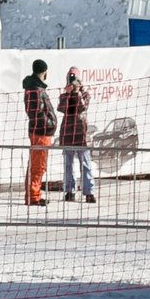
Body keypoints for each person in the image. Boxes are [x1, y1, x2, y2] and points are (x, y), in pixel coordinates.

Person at [21, 58, 57, 208]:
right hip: (41, 132)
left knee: (37, 164)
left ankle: (33, 193)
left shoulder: (34, 88)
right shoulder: (36, 90)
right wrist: (50, 123)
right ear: (44, 72)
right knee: (38, 165)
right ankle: (34, 195)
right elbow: (37, 114)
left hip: (40, 131)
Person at [56, 67, 94, 204]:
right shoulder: (64, 95)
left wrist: (77, 93)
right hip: (67, 132)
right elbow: (62, 108)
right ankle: (69, 191)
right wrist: (68, 94)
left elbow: (82, 107)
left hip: (80, 132)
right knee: (68, 164)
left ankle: (89, 191)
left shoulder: (84, 95)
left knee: (85, 163)